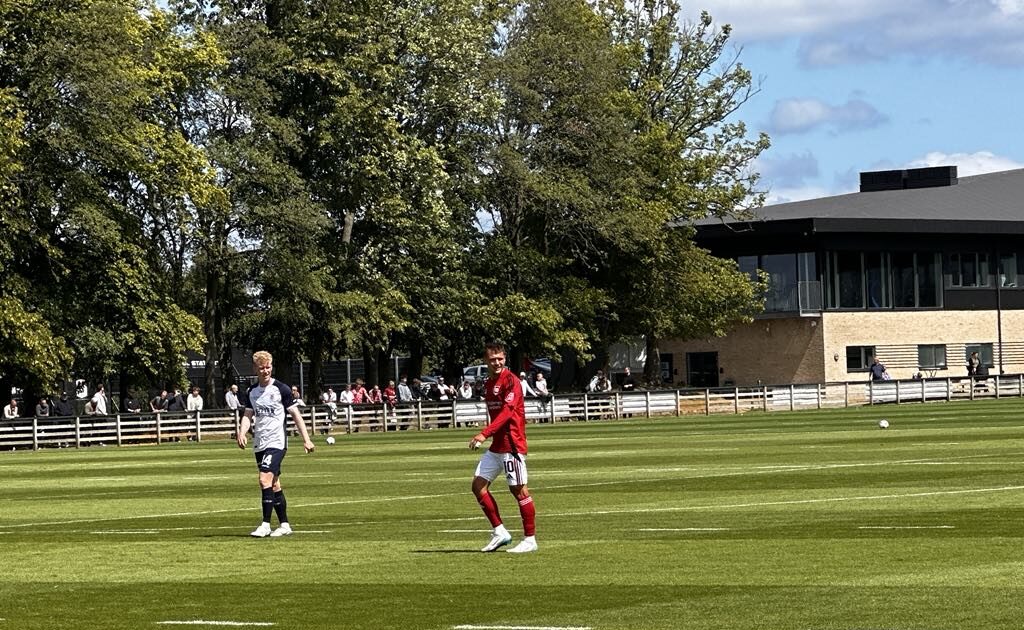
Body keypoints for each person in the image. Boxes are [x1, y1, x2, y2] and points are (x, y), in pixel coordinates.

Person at [468, 341, 538, 554]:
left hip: (512, 445)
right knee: (478, 486)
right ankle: (500, 532)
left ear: (505, 358)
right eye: (492, 359)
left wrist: (483, 433)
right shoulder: (489, 383)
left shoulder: (512, 381)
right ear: (485, 361)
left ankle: (530, 539)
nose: (497, 362)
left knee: (518, 490)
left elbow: (507, 413)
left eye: (500, 358)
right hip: (496, 446)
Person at [237, 350, 315, 538]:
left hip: (277, 442)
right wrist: (241, 432)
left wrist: (306, 439)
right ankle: (285, 525)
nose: (266, 371)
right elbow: (248, 415)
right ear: (255, 369)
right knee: (274, 484)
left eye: (268, 367)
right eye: (262, 368)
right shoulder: (252, 392)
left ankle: (265, 524)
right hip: (259, 443)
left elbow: (296, 415)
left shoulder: (281, 389)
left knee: (263, 479)